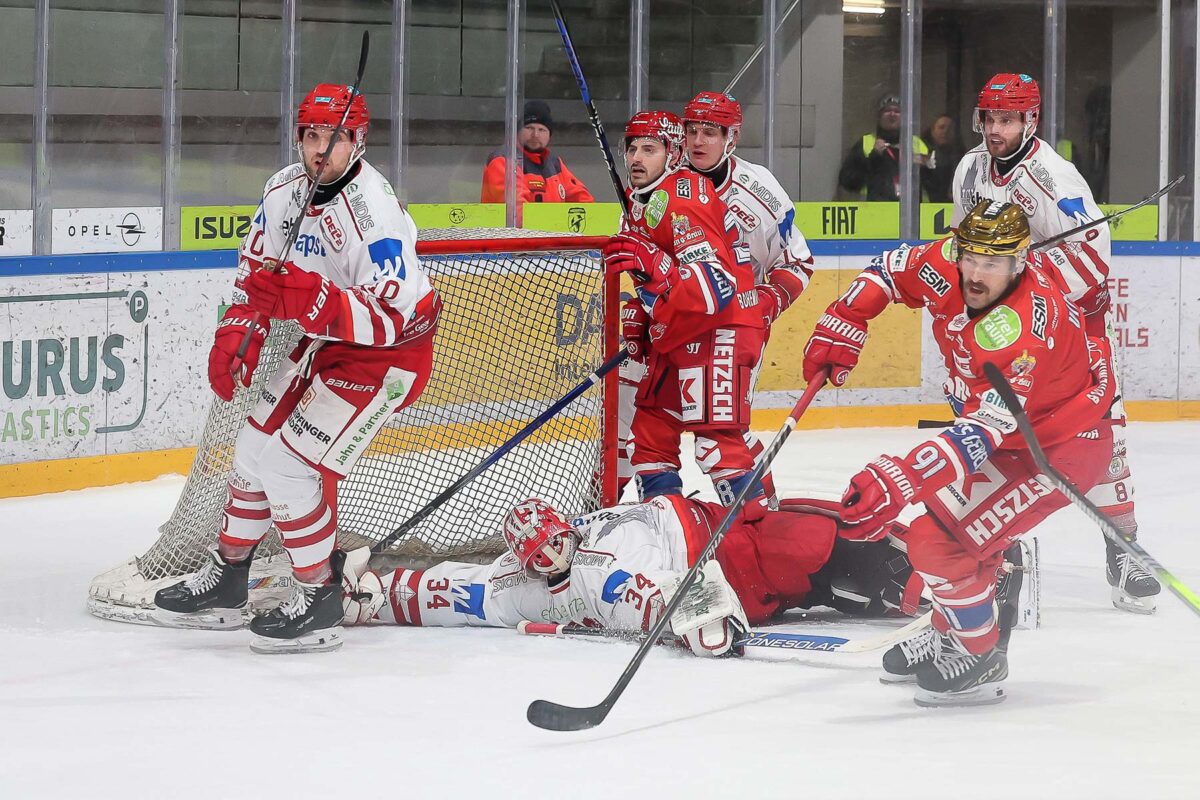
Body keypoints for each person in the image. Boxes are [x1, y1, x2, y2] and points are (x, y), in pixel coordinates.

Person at [151, 84, 442, 654]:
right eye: (311, 136)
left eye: (332, 139)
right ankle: (230, 576)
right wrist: (241, 329)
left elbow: (393, 316)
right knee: (252, 447)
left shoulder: (372, 212)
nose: (319, 150)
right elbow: (257, 270)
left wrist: (314, 301)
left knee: (287, 467)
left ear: (357, 141)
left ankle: (319, 596)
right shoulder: (284, 189)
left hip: (390, 355)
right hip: (327, 341)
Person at [802, 200, 1119, 706]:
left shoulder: (1020, 332)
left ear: (1020, 260)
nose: (974, 272)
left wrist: (902, 476)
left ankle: (980, 652)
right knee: (945, 539)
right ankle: (953, 627)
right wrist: (847, 315)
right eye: (969, 256)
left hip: (1059, 450)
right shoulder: (952, 260)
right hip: (1012, 439)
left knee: (938, 546)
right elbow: (891, 269)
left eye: (991, 262)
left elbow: (982, 430)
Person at [950, 72, 1159, 613]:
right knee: (988, 436)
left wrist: (1023, 279)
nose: (994, 130)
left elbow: (1092, 263)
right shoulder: (969, 169)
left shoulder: (1054, 178)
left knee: (1102, 439)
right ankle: (996, 560)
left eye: (1006, 119)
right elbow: (963, 246)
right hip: (999, 331)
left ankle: (1124, 549)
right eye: (989, 118)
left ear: (1030, 121)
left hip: (1071, 331)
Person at [340, 494, 932, 655]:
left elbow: (446, 584)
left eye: (555, 542)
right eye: (540, 557)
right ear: (524, 562)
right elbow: (646, 594)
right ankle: (938, 582)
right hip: (718, 555)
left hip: (708, 523)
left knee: (832, 528)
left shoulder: (563, 555)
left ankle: (944, 557)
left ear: (563, 527)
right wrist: (702, 620)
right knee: (810, 548)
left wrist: (380, 591)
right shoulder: (581, 574)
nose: (552, 557)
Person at [603, 110, 767, 513]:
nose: (637, 158)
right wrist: (643, 316)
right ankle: (669, 528)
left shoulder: (683, 198)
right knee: (649, 439)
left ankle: (757, 530)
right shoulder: (642, 199)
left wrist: (656, 269)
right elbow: (656, 275)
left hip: (723, 328)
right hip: (682, 331)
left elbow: (717, 287)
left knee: (716, 444)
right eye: (632, 148)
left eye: (650, 149)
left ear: (673, 153)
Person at [665, 90, 814, 508]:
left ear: (731, 138)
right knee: (645, 430)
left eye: (709, 132)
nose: (697, 141)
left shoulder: (761, 190)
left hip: (733, 332)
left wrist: (764, 304)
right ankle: (644, 519)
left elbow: (797, 261)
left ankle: (759, 517)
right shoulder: (663, 178)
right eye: (691, 130)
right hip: (673, 326)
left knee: (722, 437)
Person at [480, 100, 594, 205]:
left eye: (542, 130)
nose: (535, 135)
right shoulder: (503, 160)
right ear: (517, 131)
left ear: (549, 135)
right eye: (529, 128)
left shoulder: (554, 163)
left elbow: (582, 198)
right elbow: (515, 209)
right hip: (516, 228)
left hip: (549, 226)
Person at [837, 93, 932, 201]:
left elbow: (936, 185)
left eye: (897, 111)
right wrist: (873, 157)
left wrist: (924, 168)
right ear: (879, 116)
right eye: (887, 111)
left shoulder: (918, 145)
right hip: (875, 213)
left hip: (911, 214)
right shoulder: (866, 143)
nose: (892, 114)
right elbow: (847, 181)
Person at [921, 114, 964, 202]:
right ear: (932, 130)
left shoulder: (961, 156)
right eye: (941, 127)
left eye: (950, 129)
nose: (945, 132)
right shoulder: (921, 152)